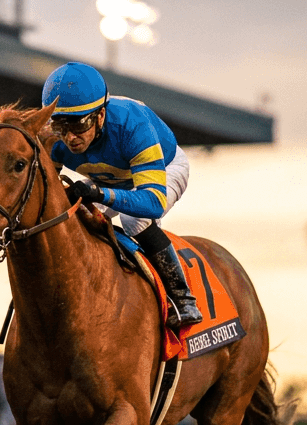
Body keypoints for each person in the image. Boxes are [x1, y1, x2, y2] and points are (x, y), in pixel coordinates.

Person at [41, 62, 203, 328]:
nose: (70, 138)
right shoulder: (53, 137)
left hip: (164, 168)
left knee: (134, 220)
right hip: (108, 175)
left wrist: (99, 193)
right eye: (60, 126)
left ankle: (183, 299)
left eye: (79, 124)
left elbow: (152, 202)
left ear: (101, 116)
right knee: (74, 218)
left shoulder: (132, 124)